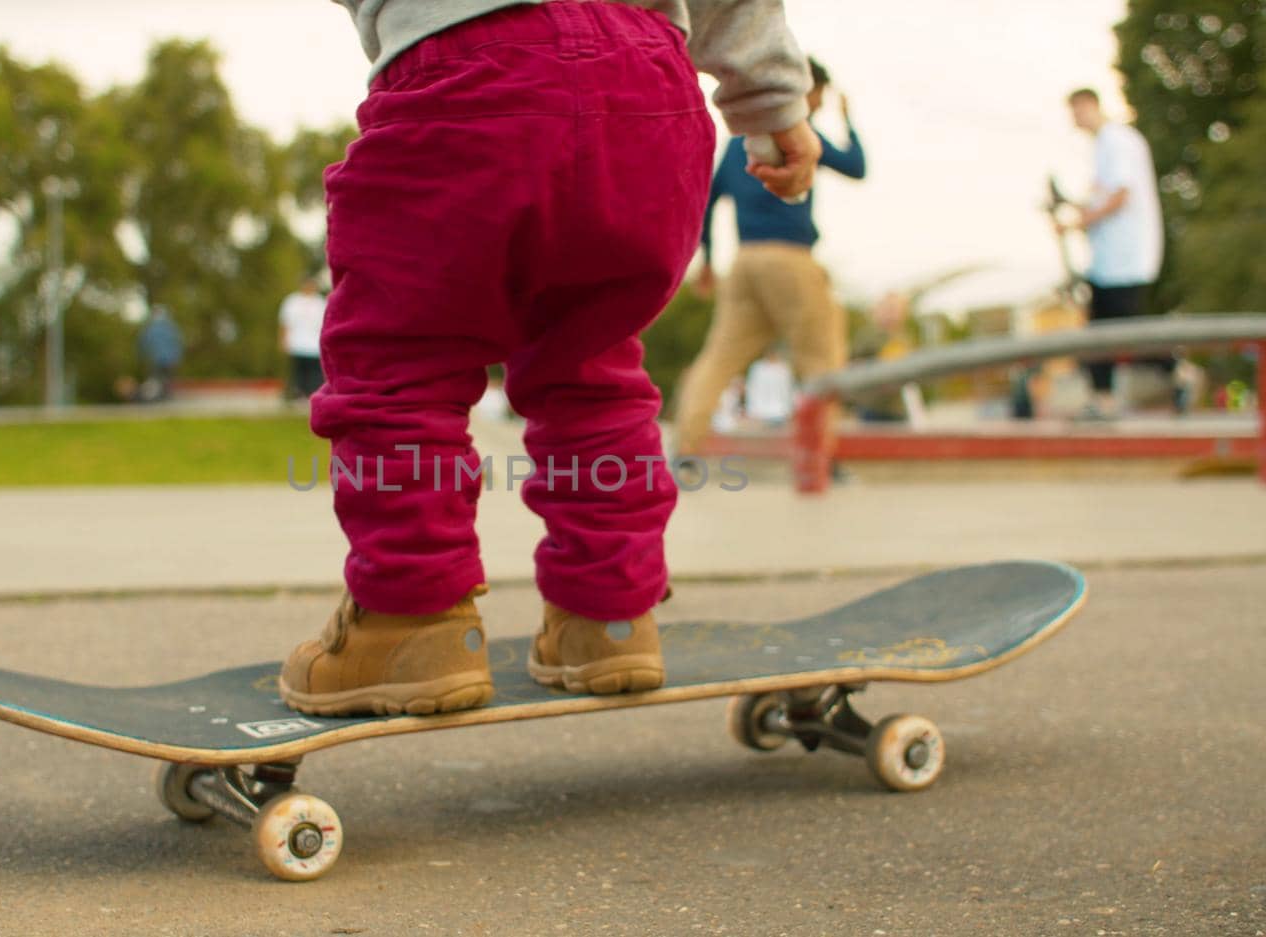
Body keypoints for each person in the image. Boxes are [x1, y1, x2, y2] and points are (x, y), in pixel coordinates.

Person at [278, 0, 820, 717]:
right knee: (592, 360)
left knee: (399, 360)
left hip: (465, 75)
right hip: (649, 88)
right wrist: (775, 102)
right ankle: (608, 616)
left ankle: (413, 620)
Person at [673, 57, 865, 460]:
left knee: (719, 359)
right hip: (789, 258)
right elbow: (856, 167)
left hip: (744, 262)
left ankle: (685, 451)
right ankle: (821, 459)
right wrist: (848, 120)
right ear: (806, 91)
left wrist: (707, 259)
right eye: (820, 96)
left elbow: (706, 200)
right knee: (822, 359)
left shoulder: (738, 143)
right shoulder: (800, 132)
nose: (820, 105)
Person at [1057, 87, 1171, 418]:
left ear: (1090, 105)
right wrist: (1073, 211)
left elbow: (1121, 196)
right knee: (1103, 331)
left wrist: (1080, 223)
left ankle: (1176, 371)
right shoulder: (1106, 146)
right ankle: (1103, 398)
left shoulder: (1116, 141)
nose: (1075, 119)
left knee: (1122, 331)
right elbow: (1103, 198)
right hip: (1110, 260)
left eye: (1077, 111)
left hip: (1124, 258)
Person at [278, 279, 327, 400]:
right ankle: (296, 395)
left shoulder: (320, 302)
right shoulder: (292, 301)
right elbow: (285, 322)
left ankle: (311, 396)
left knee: (315, 375)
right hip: (297, 344)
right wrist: (283, 340)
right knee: (297, 373)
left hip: (314, 346)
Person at [137, 305, 184, 402]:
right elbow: (178, 343)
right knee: (164, 379)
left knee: (158, 378)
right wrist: (177, 357)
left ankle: (160, 397)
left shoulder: (151, 328)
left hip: (158, 359)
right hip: (166, 359)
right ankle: (163, 396)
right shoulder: (170, 327)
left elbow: (143, 342)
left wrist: (142, 356)